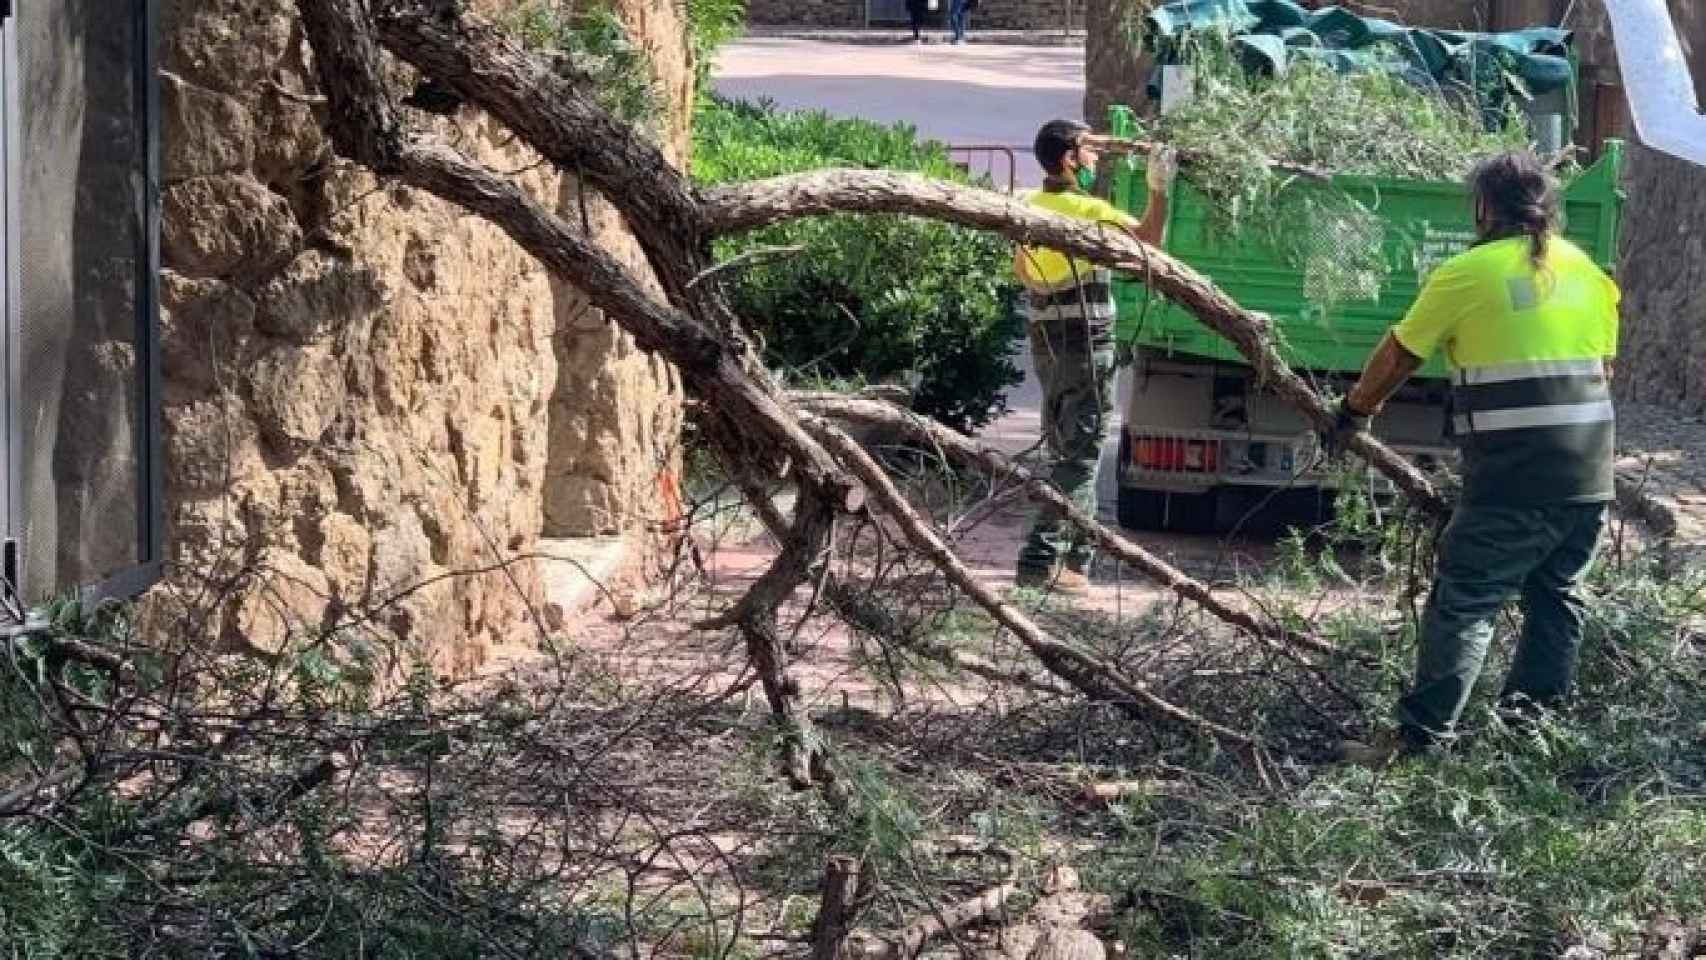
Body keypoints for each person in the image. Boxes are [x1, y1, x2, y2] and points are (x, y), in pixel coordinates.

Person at [1326, 150, 1622, 766]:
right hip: (1590, 471)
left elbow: (1401, 353)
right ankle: (1528, 740)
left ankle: (1419, 743)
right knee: (1558, 595)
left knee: (1467, 599)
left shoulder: (1468, 272)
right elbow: (1606, 367)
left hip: (1517, 473)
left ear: (1484, 207)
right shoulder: (1588, 270)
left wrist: (1354, 411)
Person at [1012, 119, 1176, 594]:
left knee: (1067, 447)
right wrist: (1158, 189)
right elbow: (1148, 241)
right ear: (1068, 159)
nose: (1095, 158)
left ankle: (1074, 563)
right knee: (1081, 457)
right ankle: (1039, 560)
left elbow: (1023, 269)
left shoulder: (1026, 206)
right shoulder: (1089, 210)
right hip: (1085, 344)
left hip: (1045, 342)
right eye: (1087, 151)